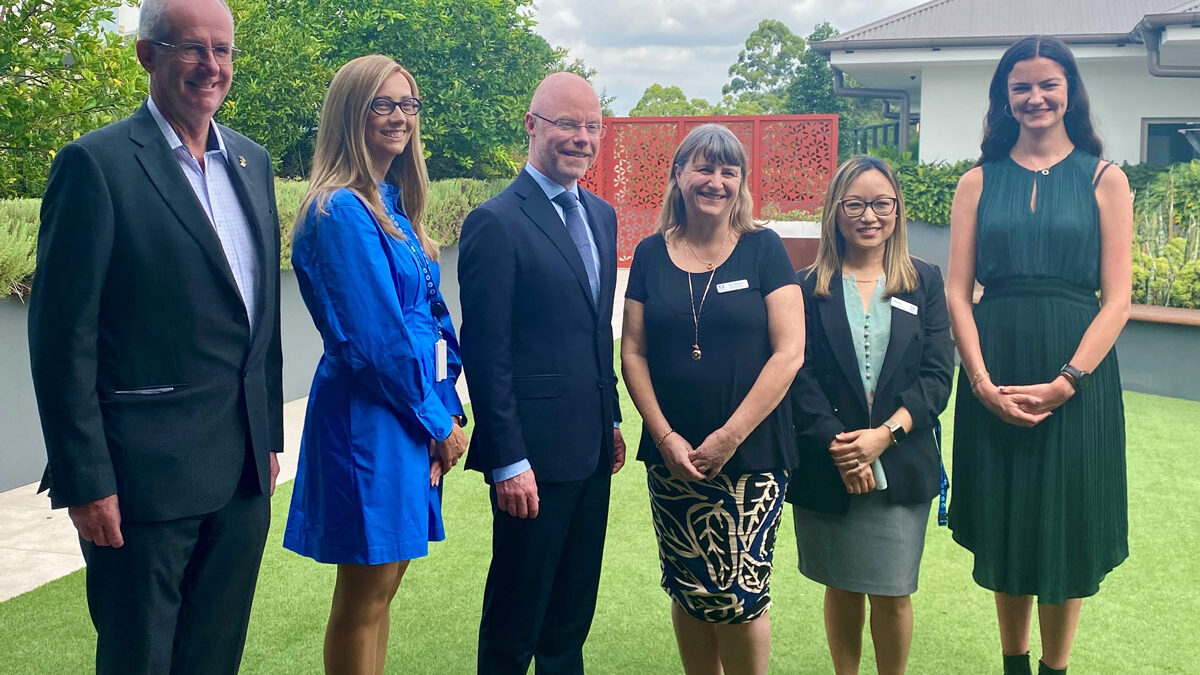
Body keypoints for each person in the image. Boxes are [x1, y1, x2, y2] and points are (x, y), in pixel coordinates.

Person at [26, 0, 282, 671]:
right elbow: (62, 340)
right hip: (141, 484)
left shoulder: (252, 162)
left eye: (222, 49)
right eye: (191, 47)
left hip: (242, 478)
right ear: (147, 54)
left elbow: (261, 317)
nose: (211, 65)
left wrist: (269, 438)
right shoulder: (95, 165)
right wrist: (85, 480)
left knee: (214, 658)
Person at [945, 35, 1132, 675]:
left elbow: (1117, 299)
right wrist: (979, 381)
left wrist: (1068, 380)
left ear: (1069, 91)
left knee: (1065, 520)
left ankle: (1055, 668)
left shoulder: (1105, 179)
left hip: (1078, 374)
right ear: (1004, 98)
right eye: (1020, 86)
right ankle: (1014, 664)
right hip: (993, 365)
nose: (1035, 97)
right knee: (1009, 515)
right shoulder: (976, 182)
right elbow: (958, 291)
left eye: (1048, 84)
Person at [282, 55, 468, 674]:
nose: (399, 117)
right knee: (366, 592)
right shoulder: (340, 211)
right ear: (350, 115)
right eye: (381, 105)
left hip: (408, 411)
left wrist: (446, 409)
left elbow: (431, 321)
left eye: (407, 104)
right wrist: (436, 423)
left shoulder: (390, 204)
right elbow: (374, 343)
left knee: (385, 586)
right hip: (371, 417)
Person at [620, 123, 805, 675]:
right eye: (703, 168)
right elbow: (633, 352)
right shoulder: (650, 253)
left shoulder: (763, 248)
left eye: (729, 171)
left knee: (741, 594)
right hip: (673, 458)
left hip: (752, 456)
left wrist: (728, 437)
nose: (716, 181)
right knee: (687, 585)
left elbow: (789, 352)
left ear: (741, 182)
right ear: (678, 175)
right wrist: (665, 437)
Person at [458, 72, 625, 675]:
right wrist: (508, 459)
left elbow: (595, 333)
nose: (582, 138)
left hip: (591, 450)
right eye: (567, 124)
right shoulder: (495, 222)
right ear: (532, 126)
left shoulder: (601, 216)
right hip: (530, 460)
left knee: (570, 615)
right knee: (516, 616)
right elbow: (486, 352)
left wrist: (611, 419)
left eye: (592, 126)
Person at [787, 155, 954, 675]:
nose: (869, 216)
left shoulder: (924, 281)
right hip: (828, 461)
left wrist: (884, 436)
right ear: (835, 211)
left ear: (897, 209)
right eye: (855, 204)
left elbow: (937, 376)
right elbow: (798, 375)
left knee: (893, 591)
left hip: (901, 464)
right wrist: (843, 447)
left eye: (881, 203)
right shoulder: (805, 286)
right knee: (841, 586)